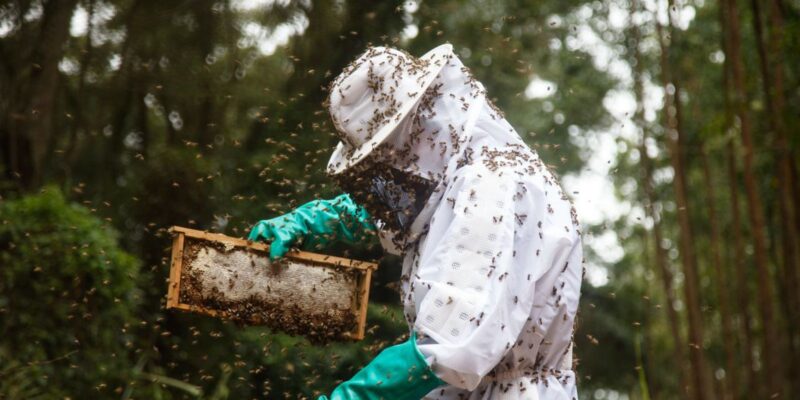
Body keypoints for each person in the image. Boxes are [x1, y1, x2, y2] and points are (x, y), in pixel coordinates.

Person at [249, 44, 584, 400]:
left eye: (388, 152)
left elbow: (453, 347)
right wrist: (321, 218)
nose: (390, 169)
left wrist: (352, 396)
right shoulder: (461, 174)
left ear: (421, 122)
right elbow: (417, 208)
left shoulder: (492, 185)